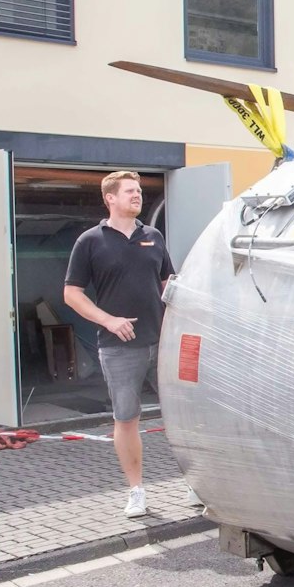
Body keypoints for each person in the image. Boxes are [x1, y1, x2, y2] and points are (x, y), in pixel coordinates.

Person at [63, 171, 188, 518]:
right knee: (127, 418)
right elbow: (71, 294)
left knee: (180, 415)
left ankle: (194, 483)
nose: (137, 196)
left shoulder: (153, 236)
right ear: (110, 198)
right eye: (129, 191)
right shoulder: (90, 241)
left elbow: (168, 284)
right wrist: (108, 320)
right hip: (118, 349)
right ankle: (136, 491)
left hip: (160, 343)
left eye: (138, 191)